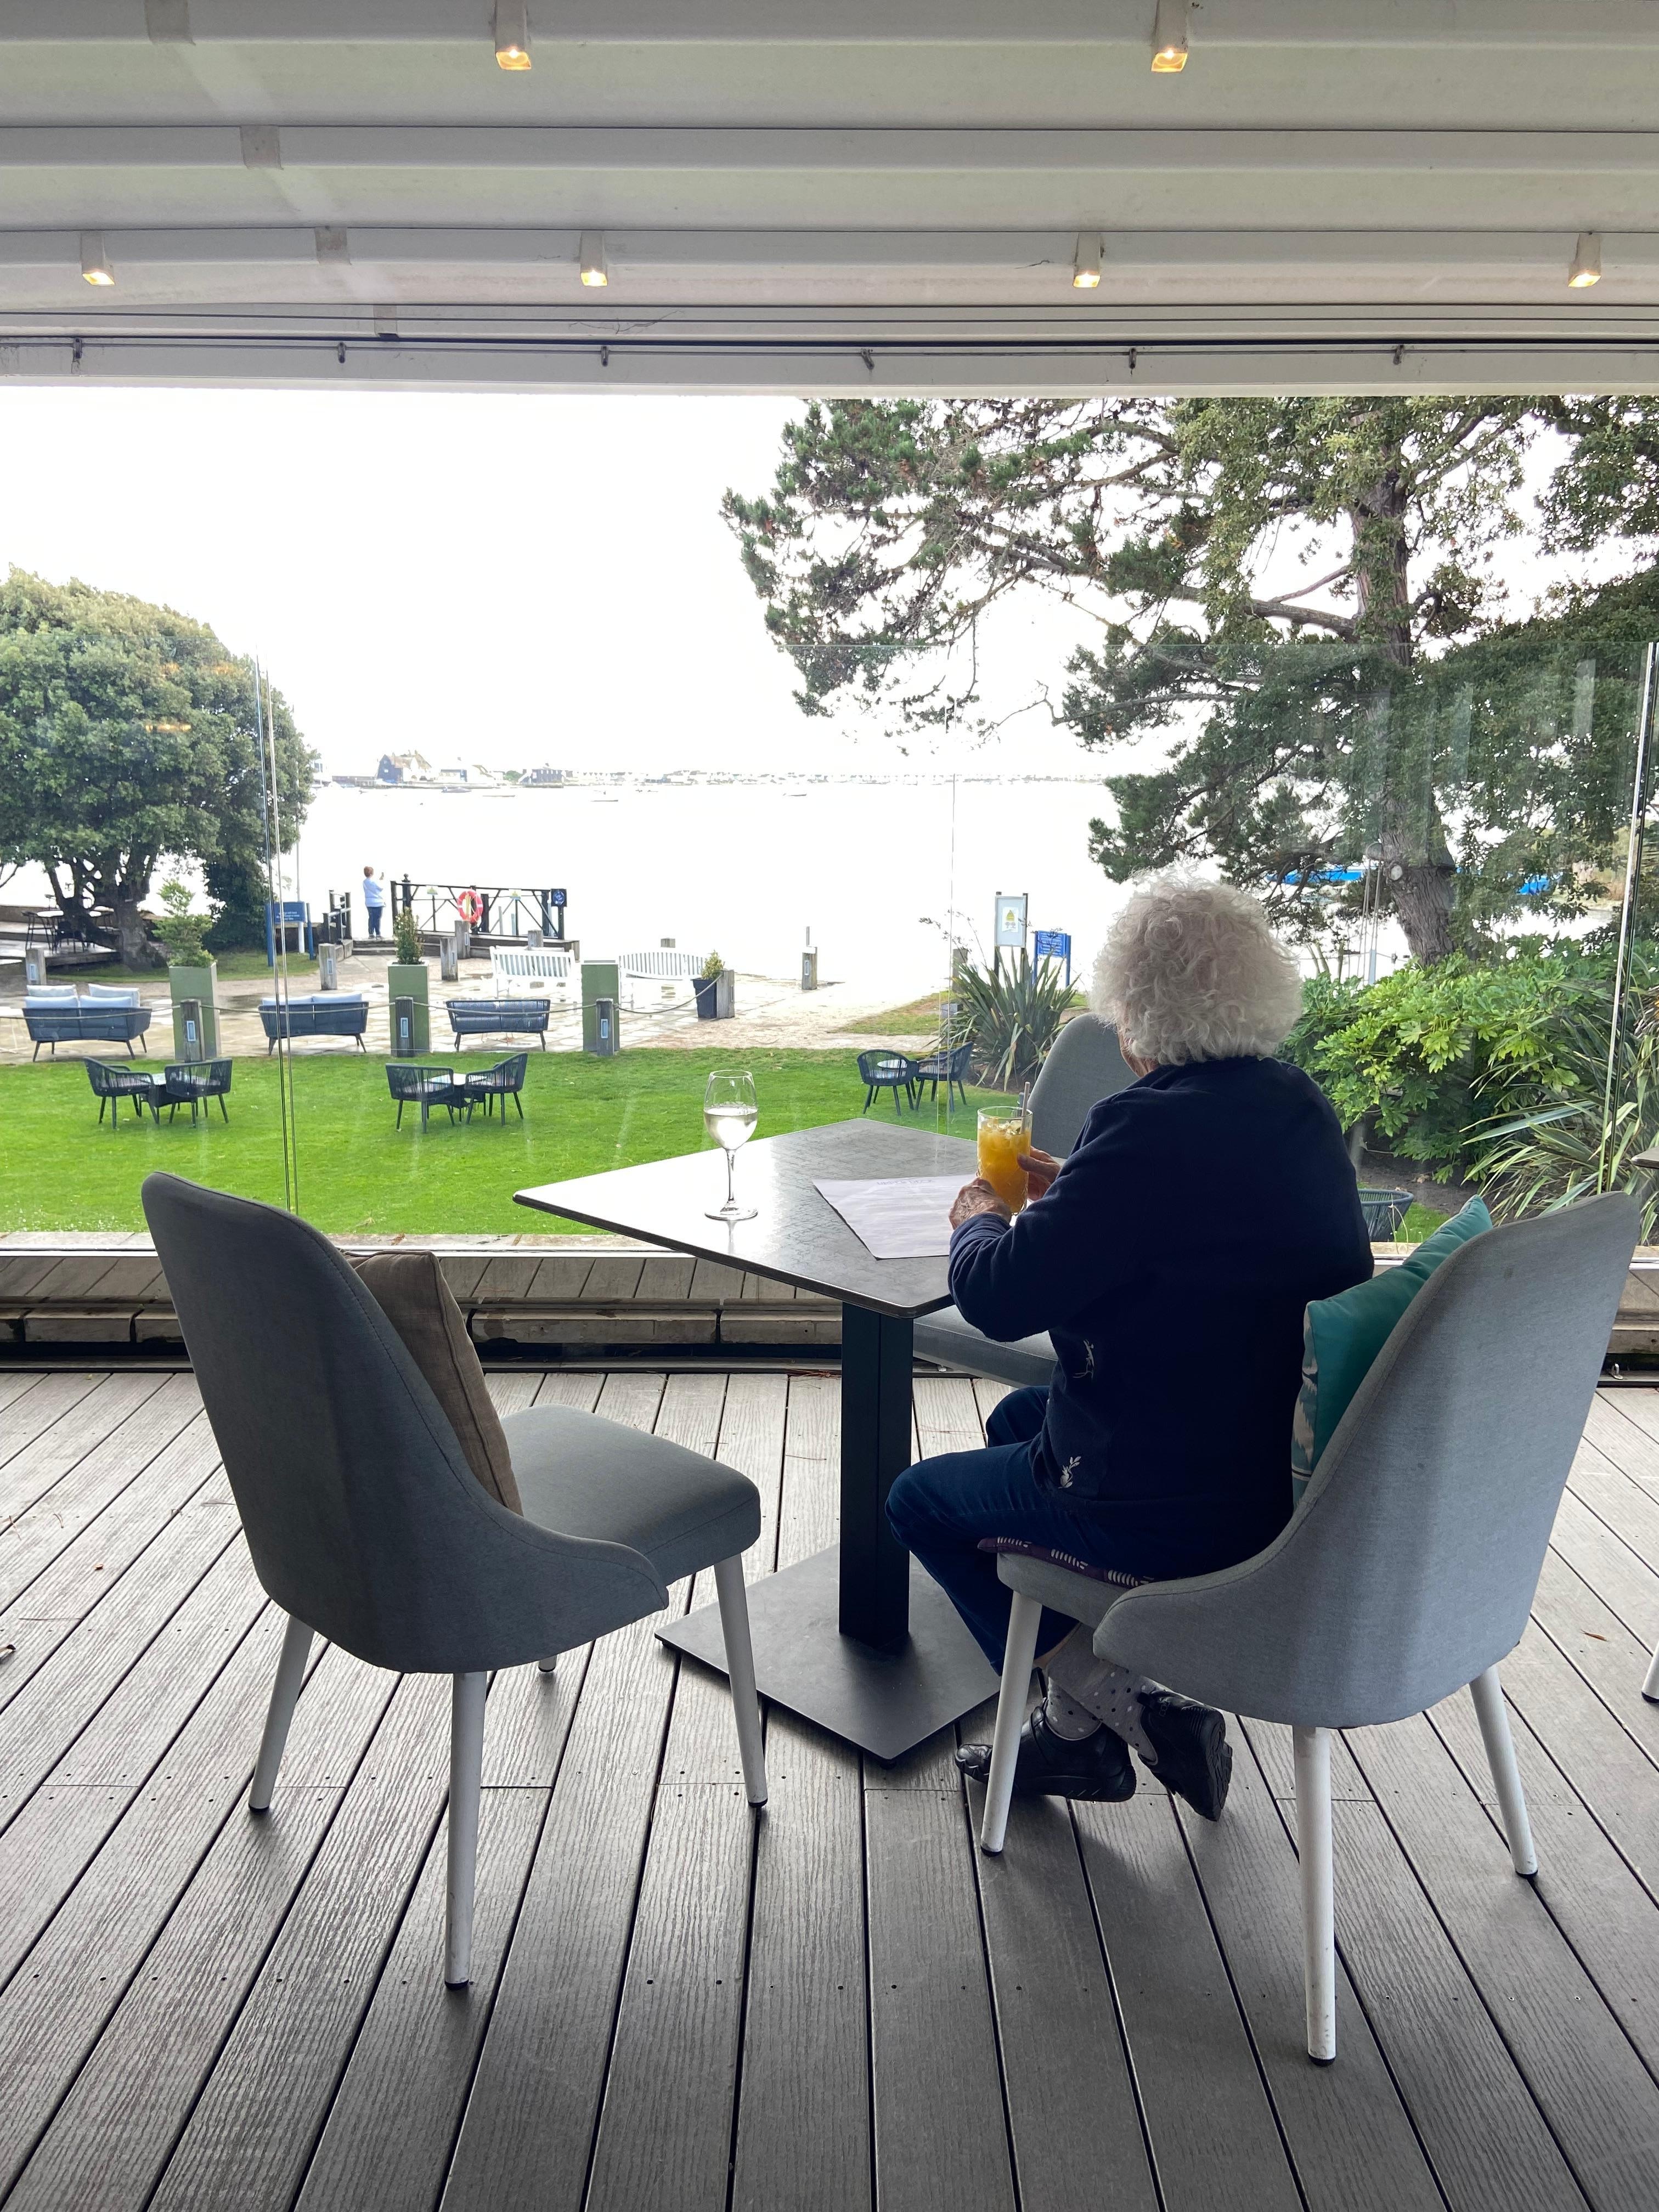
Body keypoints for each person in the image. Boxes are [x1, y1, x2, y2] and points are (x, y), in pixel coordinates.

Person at [887, 877, 1372, 1821]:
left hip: (1182, 1505)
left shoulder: (1143, 1126)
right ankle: (1075, 1741)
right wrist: (1079, 1187)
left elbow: (996, 1297)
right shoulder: (1294, 1104)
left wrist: (977, 1218)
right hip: (1273, 1454)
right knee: (1017, 1418)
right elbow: (1205, 1222)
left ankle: (1115, 1706)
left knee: (920, 1503)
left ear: (1134, 1013)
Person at [362, 866, 385, 938]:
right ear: (372, 873)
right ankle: (378, 934)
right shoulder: (374, 882)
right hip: (378, 903)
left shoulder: (364, 882)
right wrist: (382, 879)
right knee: (377, 919)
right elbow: (381, 888)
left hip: (369, 903)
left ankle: (371, 933)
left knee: (371, 918)